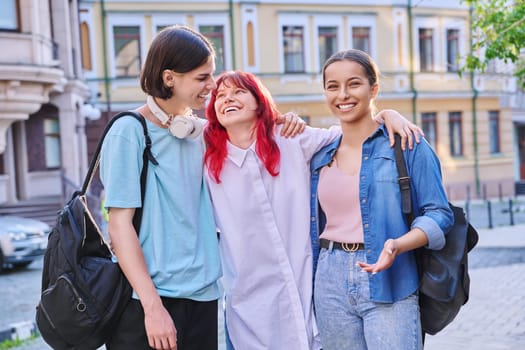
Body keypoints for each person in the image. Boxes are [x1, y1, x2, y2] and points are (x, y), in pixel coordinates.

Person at [203, 70, 423, 349]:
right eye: (220, 96)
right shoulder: (206, 156)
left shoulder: (292, 138)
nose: (227, 99)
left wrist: (386, 115)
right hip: (248, 303)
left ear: (259, 101)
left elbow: (350, 133)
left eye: (238, 92)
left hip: (306, 291)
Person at [309, 49, 454, 350]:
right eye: (332, 86)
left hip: (391, 275)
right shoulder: (318, 153)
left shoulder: (407, 144)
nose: (343, 94)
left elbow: (439, 212)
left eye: (354, 84)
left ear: (373, 89)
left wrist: (398, 244)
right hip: (329, 278)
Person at [100, 25, 222, 350]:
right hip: (147, 304)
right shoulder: (129, 131)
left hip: (204, 296)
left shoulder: (202, 133)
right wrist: (152, 307)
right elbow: (119, 224)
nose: (212, 85)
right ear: (169, 78)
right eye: (202, 77)